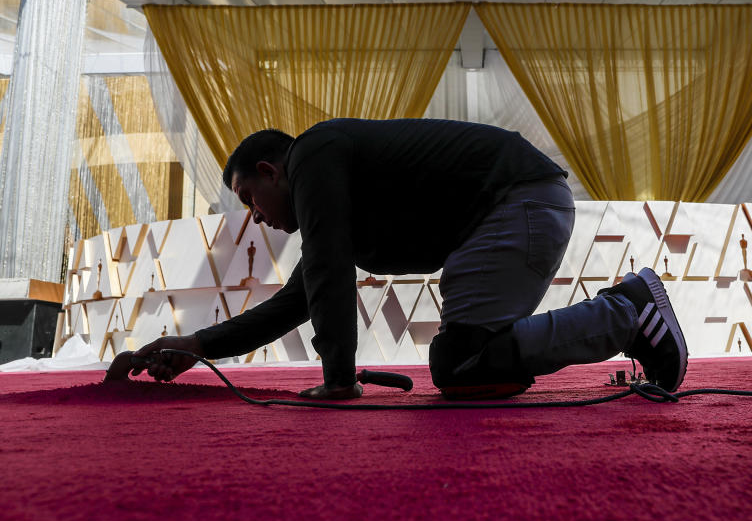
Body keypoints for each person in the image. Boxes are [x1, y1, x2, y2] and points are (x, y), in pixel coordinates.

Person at [134, 118, 688, 400]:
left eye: (250, 197)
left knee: (462, 363)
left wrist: (338, 380)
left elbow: (327, 274)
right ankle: (628, 314)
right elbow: (302, 297)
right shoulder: (329, 184)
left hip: (516, 202)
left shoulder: (311, 155)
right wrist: (199, 347)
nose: (255, 217)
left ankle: (627, 311)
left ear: (271, 170)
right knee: (470, 367)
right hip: (522, 207)